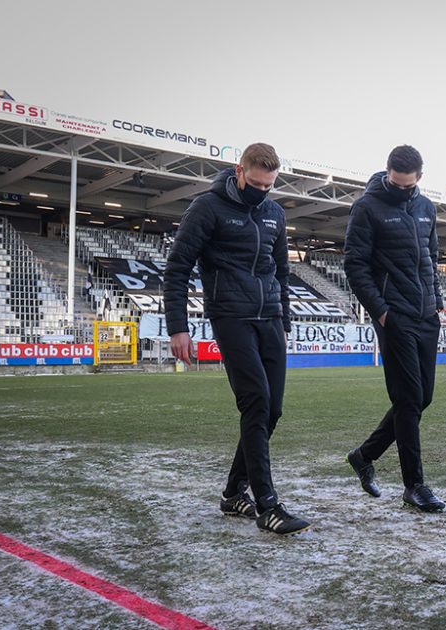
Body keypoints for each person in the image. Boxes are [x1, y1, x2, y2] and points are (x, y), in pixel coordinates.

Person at [164, 142, 310, 536]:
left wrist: (285, 321)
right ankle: (268, 506)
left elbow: (281, 271)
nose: (262, 192)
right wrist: (178, 326)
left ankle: (232, 493)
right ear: (239, 171)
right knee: (256, 402)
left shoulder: (275, 213)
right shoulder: (207, 207)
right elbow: (178, 266)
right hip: (231, 316)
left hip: (271, 320)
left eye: (269, 186)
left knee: (272, 410)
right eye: (257, 184)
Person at [343, 145, 446, 512]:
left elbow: (431, 258)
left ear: (419, 177)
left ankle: (364, 455)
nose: (401, 190)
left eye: (408, 185)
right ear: (387, 173)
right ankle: (414, 486)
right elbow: (355, 266)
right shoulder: (367, 207)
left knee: (422, 399)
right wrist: (382, 312)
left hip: (426, 317)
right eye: (395, 183)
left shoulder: (426, 208)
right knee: (407, 401)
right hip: (395, 317)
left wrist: (437, 303)